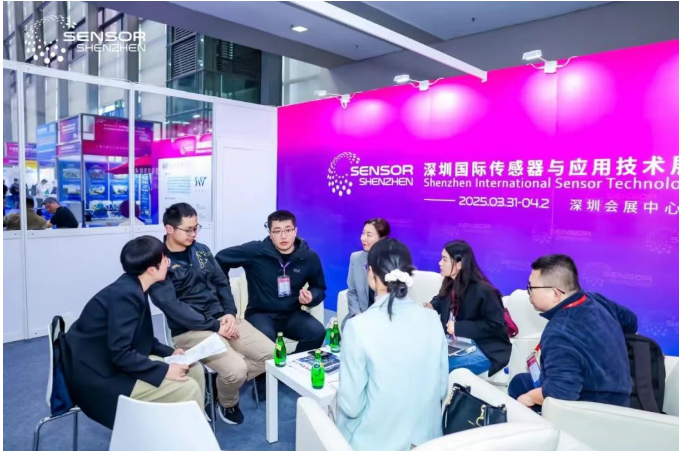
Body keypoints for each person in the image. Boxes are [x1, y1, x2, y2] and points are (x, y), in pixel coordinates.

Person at [149, 203, 274, 425]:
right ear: (169, 229)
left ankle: (219, 384)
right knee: (236, 369)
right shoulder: (158, 262)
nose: (194, 234)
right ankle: (228, 402)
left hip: (223, 319)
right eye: (188, 230)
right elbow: (174, 307)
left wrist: (229, 313)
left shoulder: (202, 250)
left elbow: (221, 282)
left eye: (196, 228)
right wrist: (215, 326)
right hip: (190, 329)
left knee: (273, 356)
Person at [63, 236, 205, 429]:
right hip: (101, 377)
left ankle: (191, 427)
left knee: (193, 368)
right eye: (165, 259)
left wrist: (170, 352)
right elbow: (120, 353)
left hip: (111, 362)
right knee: (186, 386)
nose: (168, 263)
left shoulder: (133, 286)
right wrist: (165, 370)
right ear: (151, 270)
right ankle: (185, 435)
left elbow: (141, 338)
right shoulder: (126, 296)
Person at [337, 239, 448, 451]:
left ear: (371, 273)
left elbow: (351, 406)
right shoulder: (432, 319)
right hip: (427, 442)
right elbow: (441, 389)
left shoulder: (358, 326)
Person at [509, 254, 635, 410]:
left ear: (555, 294)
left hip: (592, 410)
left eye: (531, 288)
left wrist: (528, 398)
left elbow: (561, 392)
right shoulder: (595, 300)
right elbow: (631, 322)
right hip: (620, 397)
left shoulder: (559, 331)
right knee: (521, 381)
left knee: (521, 392)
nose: (529, 293)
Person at [216, 210, 327, 354]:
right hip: (260, 314)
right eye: (277, 231)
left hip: (292, 313)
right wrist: (224, 291)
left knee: (317, 332)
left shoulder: (308, 257)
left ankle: (291, 365)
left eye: (288, 230)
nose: (283, 236)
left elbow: (318, 287)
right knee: (267, 342)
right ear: (270, 233)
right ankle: (271, 368)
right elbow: (220, 259)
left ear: (295, 231)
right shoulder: (255, 251)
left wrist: (311, 296)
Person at [426, 240, 511, 376]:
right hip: (455, 343)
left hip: (485, 348)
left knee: (437, 367)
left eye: (445, 259)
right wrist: (432, 306)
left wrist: (458, 327)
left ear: (459, 264)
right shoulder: (450, 283)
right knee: (423, 358)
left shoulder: (484, 290)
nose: (440, 263)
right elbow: (441, 299)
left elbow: (496, 325)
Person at [343, 218, 391, 328]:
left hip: (384, 320)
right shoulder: (356, 258)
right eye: (363, 233)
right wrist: (357, 315)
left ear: (382, 239)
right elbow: (352, 292)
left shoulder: (393, 262)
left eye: (369, 235)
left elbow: (394, 299)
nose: (363, 238)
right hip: (359, 316)